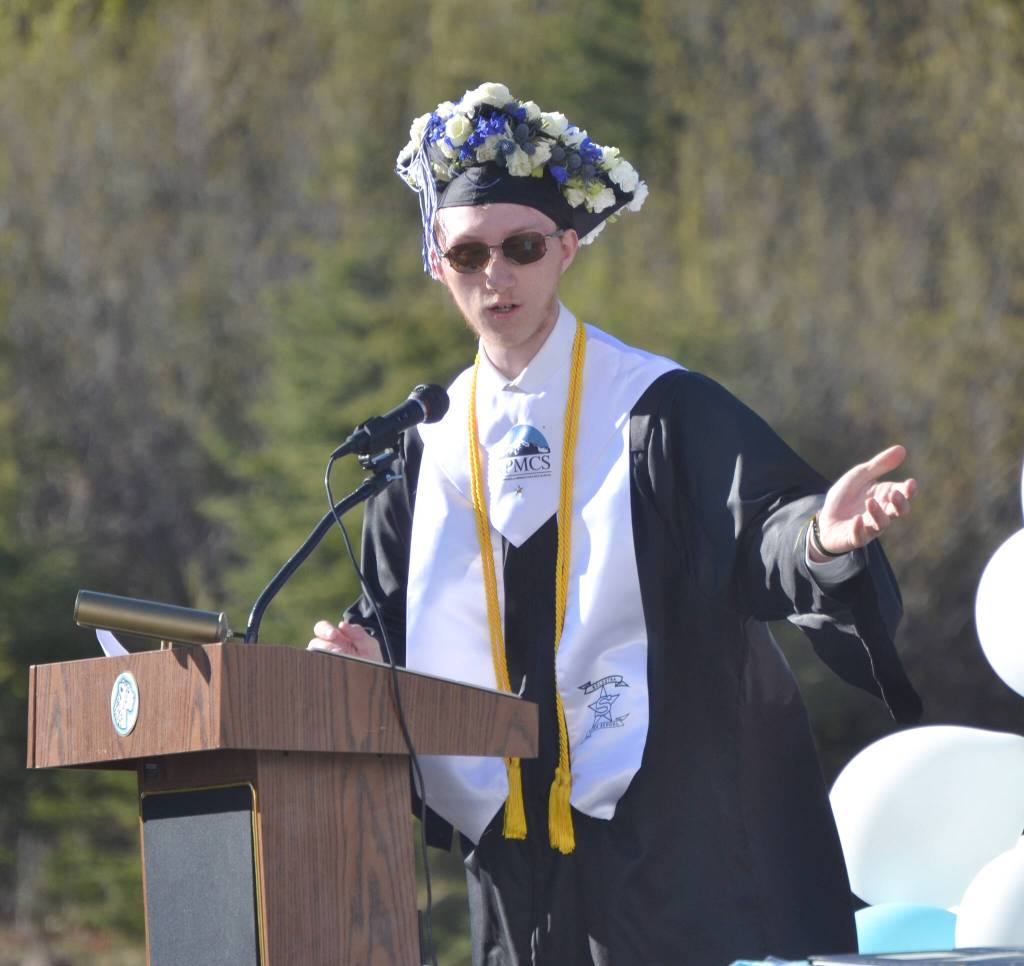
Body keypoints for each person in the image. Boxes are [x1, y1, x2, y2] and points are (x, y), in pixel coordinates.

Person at [309, 83, 922, 966]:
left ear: (566, 247)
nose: (497, 275)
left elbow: (765, 537)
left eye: (521, 247)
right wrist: (363, 655)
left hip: (669, 850)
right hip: (512, 862)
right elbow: (396, 620)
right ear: (437, 264)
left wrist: (822, 537)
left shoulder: (657, 412)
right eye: (470, 253)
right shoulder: (423, 449)